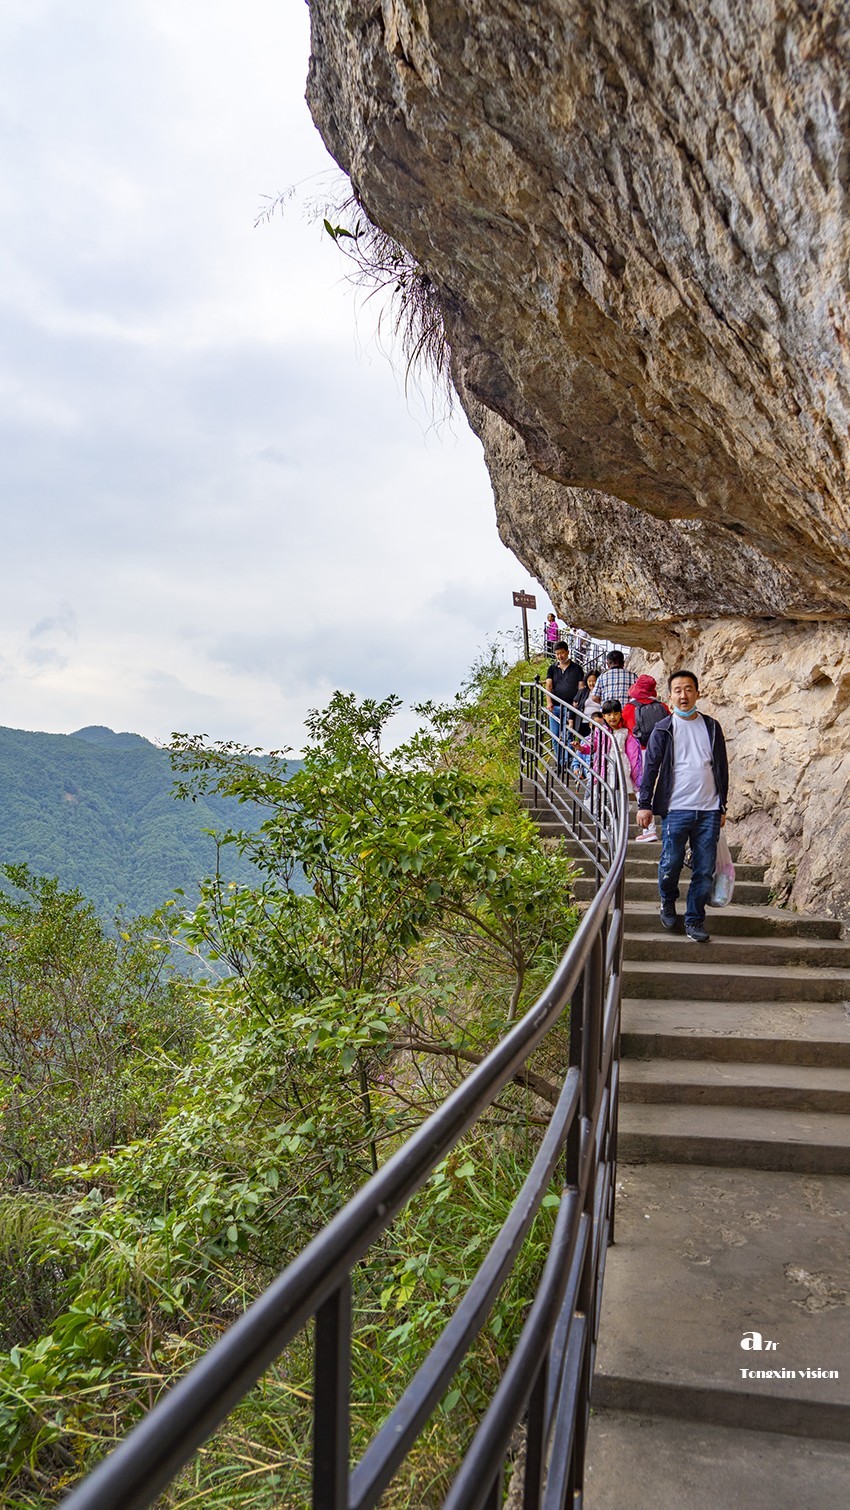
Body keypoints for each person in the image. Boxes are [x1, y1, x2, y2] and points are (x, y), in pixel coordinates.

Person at [636, 670, 729, 944]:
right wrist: (645, 805)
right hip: (676, 808)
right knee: (671, 862)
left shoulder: (712, 727)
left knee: (703, 869)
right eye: (677, 690)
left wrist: (722, 806)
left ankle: (694, 919)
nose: (683, 695)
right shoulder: (663, 728)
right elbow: (649, 768)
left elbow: (722, 768)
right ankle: (667, 899)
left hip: (709, 809)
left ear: (697, 693)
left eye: (688, 689)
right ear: (670, 697)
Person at [623, 674, 670, 842]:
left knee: (642, 787)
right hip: (663, 750)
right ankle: (666, 828)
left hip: (640, 752)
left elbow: (625, 730)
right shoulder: (663, 706)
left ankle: (648, 829)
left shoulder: (630, 708)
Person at [545, 640, 583, 775]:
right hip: (555, 707)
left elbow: (580, 688)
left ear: (567, 652)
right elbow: (548, 686)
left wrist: (577, 702)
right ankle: (560, 762)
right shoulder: (552, 668)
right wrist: (549, 702)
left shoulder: (577, 668)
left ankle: (568, 762)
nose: (560, 656)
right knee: (555, 736)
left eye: (562, 653)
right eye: (557, 654)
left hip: (570, 708)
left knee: (568, 736)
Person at [601, 699, 640, 794]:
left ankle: (621, 807)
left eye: (616, 714)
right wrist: (582, 748)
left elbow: (632, 752)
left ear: (620, 714)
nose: (613, 717)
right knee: (607, 788)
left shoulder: (625, 732)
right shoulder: (601, 731)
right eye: (609, 715)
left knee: (622, 788)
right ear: (604, 716)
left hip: (622, 762)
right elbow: (593, 743)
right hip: (607, 762)